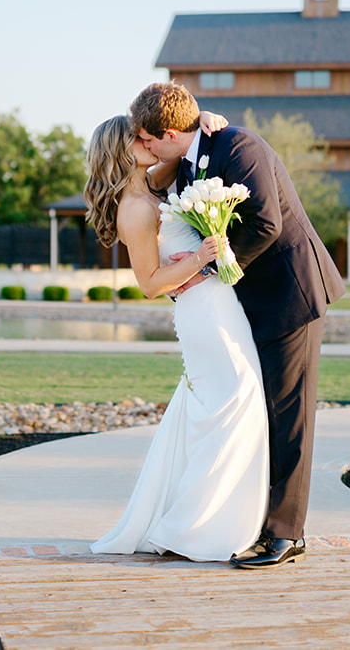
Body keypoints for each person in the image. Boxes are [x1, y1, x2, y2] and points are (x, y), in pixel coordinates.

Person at [131, 82, 346, 570]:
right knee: (262, 414)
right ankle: (258, 524)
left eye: (146, 140)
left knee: (290, 417)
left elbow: (266, 224)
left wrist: (210, 269)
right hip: (248, 303)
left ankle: (287, 535)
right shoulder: (192, 157)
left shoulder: (239, 146)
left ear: (166, 133)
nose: (144, 148)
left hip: (291, 293)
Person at [85, 110, 269, 563]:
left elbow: (182, 143)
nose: (148, 141)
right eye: (137, 138)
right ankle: (198, 527)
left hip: (219, 304)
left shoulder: (154, 181)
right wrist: (202, 258)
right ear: (120, 149)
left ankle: (199, 518)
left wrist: (200, 118)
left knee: (222, 408)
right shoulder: (134, 208)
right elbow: (149, 282)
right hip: (201, 312)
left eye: (149, 136)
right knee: (236, 402)